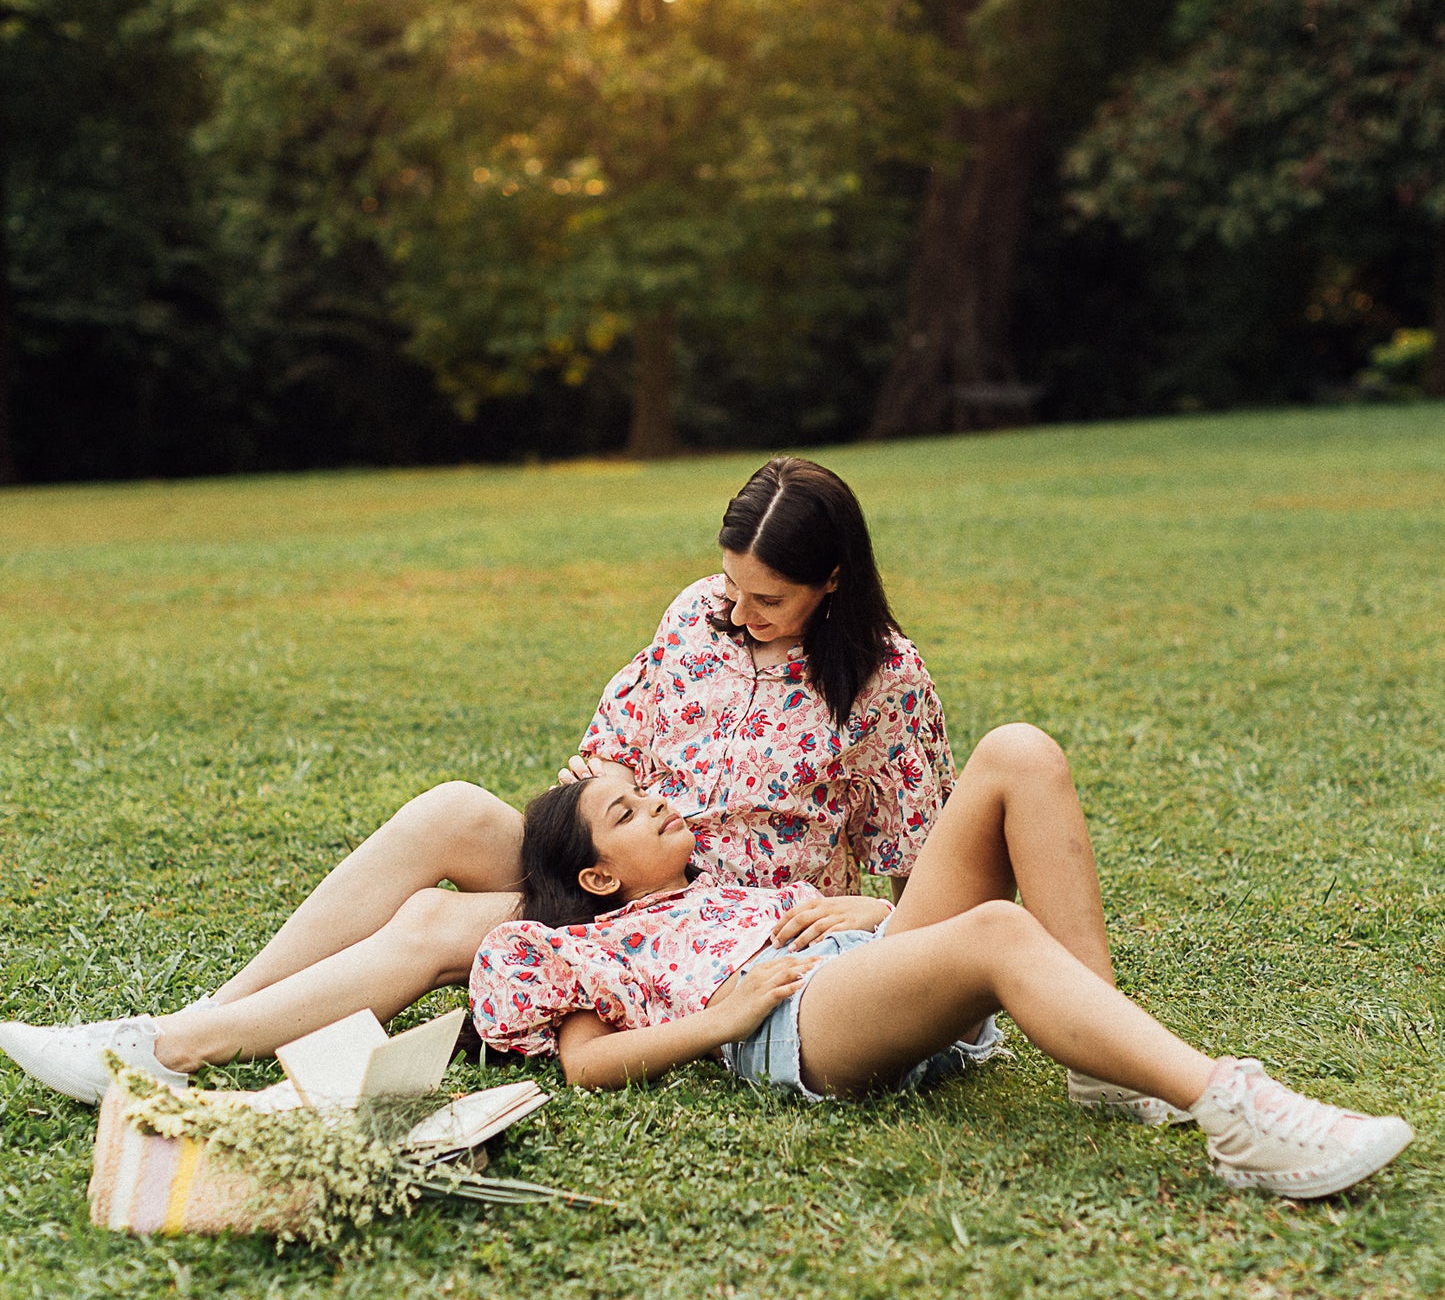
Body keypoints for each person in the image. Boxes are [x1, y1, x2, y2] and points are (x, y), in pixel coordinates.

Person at [6, 456, 1050, 1105]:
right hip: (622, 861)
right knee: (452, 813)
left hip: (713, 926)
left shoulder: (882, 681)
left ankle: (168, 1048)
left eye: (765, 598)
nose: (734, 612)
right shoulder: (694, 613)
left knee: (430, 925)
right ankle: (210, 1011)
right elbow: (609, 747)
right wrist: (592, 829)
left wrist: (849, 905)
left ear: (832, 585)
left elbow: (927, 878)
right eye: (727, 584)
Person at [467, 763, 1414, 1201]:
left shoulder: (727, 885)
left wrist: (875, 913)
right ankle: (1232, 1109)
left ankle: (1109, 1068)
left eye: (644, 787)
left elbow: (868, 931)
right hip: (791, 1020)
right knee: (999, 929)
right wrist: (727, 1017)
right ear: (596, 876)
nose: (660, 800)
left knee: (1018, 751)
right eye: (629, 810)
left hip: (853, 966)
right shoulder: (589, 948)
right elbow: (587, 1064)